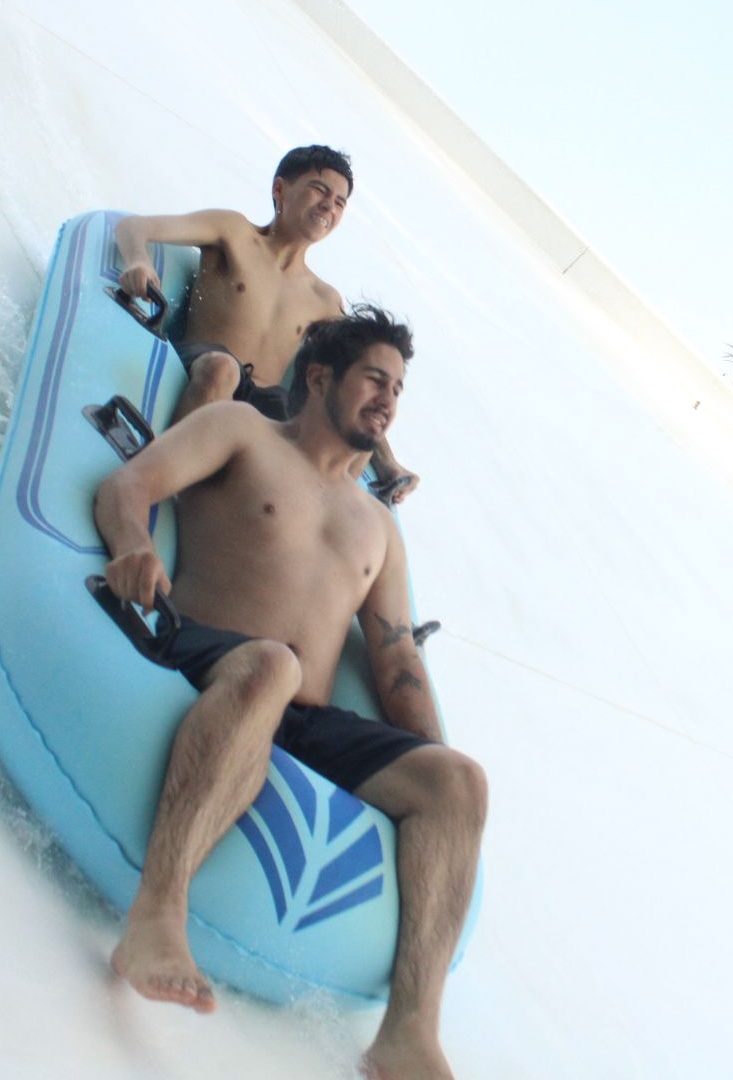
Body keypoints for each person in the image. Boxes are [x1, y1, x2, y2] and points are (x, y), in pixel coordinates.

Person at [94, 305, 484, 1080]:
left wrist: (428, 755)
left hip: (306, 714)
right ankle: (156, 917)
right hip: (209, 654)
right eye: (374, 379)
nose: (388, 400)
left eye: (398, 389)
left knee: (460, 781)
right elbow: (128, 486)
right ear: (320, 377)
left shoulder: (378, 526)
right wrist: (135, 547)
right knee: (272, 665)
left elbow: (395, 661)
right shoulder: (243, 431)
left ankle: (407, 1034)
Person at [113, 144, 421, 503]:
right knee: (223, 368)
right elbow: (135, 226)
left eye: (339, 202)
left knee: (334, 441)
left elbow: (352, 381)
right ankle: (164, 488)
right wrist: (138, 261)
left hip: (265, 400)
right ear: (280, 189)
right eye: (319, 190)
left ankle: (297, 524)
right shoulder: (234, 232)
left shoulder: (324, 299)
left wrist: (387, 462)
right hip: (204, 365)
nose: (329, 206)